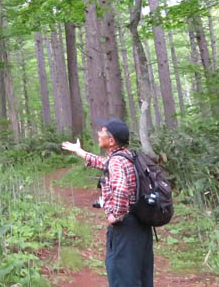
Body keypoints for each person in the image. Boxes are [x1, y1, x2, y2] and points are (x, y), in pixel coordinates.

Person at [61, 119, 153, 287]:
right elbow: (102, 163)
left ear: (111, 141)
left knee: (122, 276)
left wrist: (115, 216)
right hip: (140, 225)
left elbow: (120, 189)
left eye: (102, 132)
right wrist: (79, 151)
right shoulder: (126, 156)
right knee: (140, 274)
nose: (98, 134)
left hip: (126, 227)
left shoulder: (117, 161)